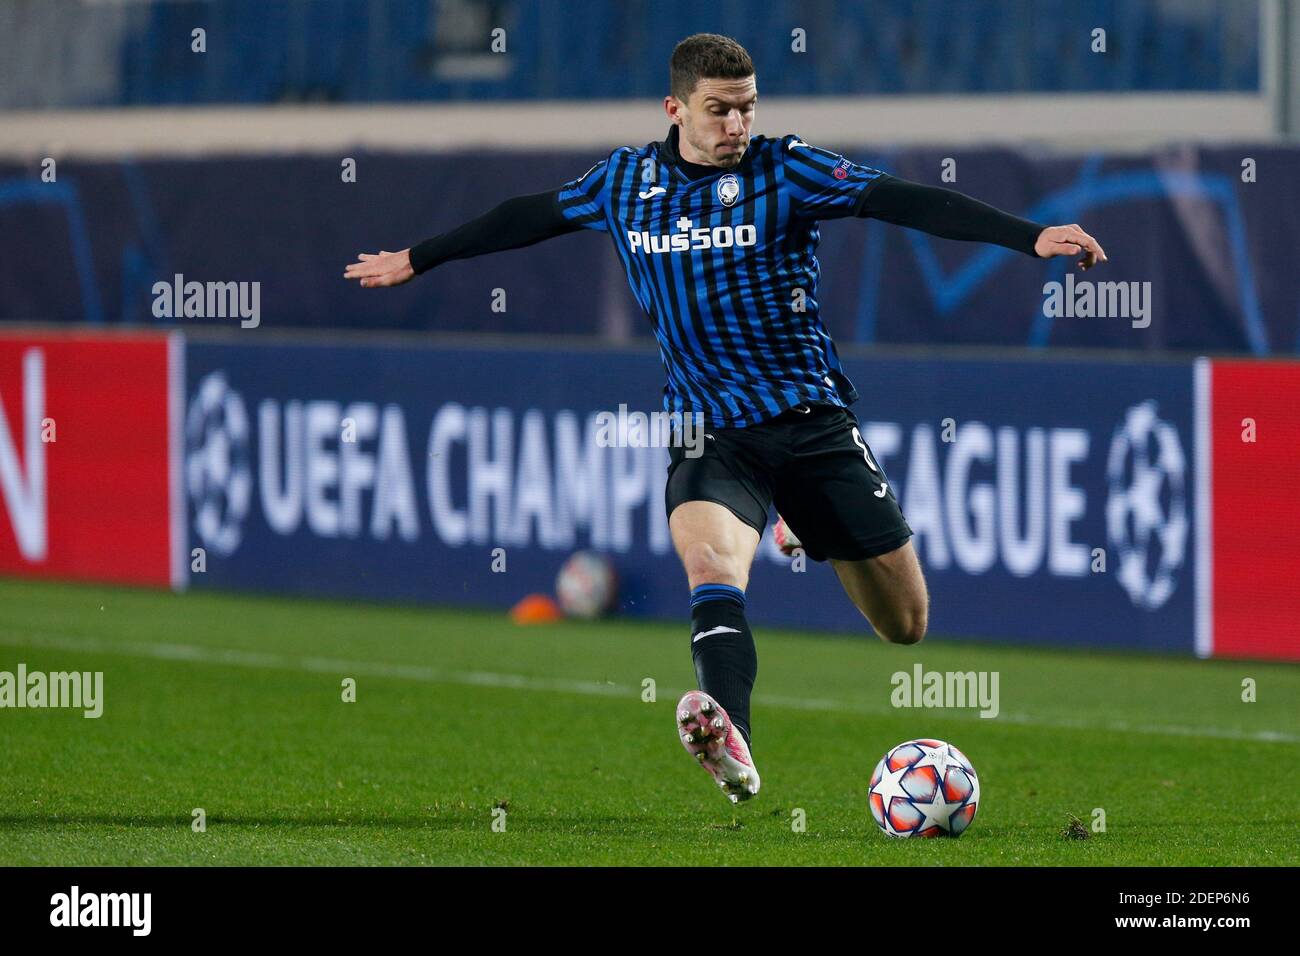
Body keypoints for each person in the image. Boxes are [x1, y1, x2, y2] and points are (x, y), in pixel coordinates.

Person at [345, 33, 1106, 805]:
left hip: (811, 420)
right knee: (710, 568)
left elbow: (902, 199)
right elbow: (527, 216)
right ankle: (731, 738)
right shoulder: (625, 181)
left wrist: (1028, 236)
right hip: (703, 426)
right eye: (719, 111)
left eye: (747, 108)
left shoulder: (789, 168)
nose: (736, 125)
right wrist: (420, 256)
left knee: (905, 625)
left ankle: (799, 525)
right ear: (675, 109)